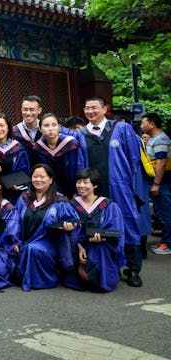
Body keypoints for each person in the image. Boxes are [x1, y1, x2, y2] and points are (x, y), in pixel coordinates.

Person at [80, 96, 143, 287]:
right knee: (100, 227)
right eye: (87, 108)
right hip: (94, 191)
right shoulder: (81, 134)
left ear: (105, 108)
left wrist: (124, 180)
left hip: (119, 187)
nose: (90, 111)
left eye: (94, 108)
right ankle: (108, 266)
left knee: (128, 224)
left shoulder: (121, 129)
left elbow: (134, 158)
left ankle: (133, 269)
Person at [11, 164, 79, 291]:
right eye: (35, 176)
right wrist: (15, 240)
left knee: (33, 249)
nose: (38, 180)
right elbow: (14, 221)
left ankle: (42, 281)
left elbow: (73, 219)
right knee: (27, 248)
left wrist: (70, 225)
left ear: (51, 179)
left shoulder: (58, 199)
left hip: (50, 243)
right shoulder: (24, 198)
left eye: (42, 177)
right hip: (24, 241)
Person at [66, 168, 125, 292]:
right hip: (76, 244)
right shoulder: (71, 205)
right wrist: (79, 245)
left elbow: (115, 230)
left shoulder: (108, 205)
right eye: (79, 182)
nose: (81, 186)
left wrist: (103, 237)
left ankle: (103, 278)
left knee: (100, 249)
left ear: (95, 185)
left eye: (86, 182)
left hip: (101, 245)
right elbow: (68, 231)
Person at [33, 113, 86, 198]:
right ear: (40, 129)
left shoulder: (71, 144)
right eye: (46, 126)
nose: (50, 129)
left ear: (59, 127)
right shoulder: (38, 148)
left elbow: (79, 168)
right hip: (51, 193)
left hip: (73, 190)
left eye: (54, 125)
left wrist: (78, 191)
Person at [141, 112, 171, 255]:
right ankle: (164, 241)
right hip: (157, 180)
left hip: (163, 180)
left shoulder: (160, 139)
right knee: (160, 211)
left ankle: (167, 243)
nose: (141, 126)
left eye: (144, 123)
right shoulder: (154, 139)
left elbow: (161, 163)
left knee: (165, 212)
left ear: (152, 124)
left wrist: (156, 184)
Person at [0, 113, 30, 203]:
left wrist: (19, 184)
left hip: (15, 193)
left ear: (8, 127)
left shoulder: (18, 148)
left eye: (2, 125)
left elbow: (24, 169)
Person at [12, 95, 43, 166]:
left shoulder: (46, 129)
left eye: (32, 109)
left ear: (39, 110)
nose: (28, 113)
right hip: (23, 171)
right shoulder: (14, 132)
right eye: (25, 109)